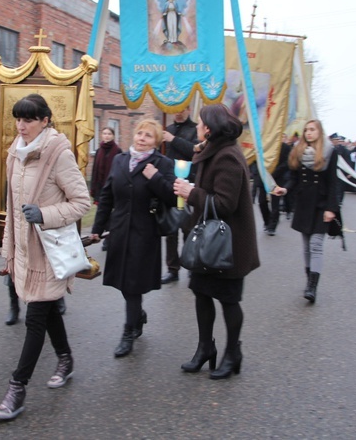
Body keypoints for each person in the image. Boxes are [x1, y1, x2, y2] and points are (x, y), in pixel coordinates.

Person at [0, 94, 90, 421]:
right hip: (24, 250)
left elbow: (81, 202)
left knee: (36, 316)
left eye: (29, 119)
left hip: (50, 250)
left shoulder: (58, 154)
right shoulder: (14, 154)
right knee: (45, 310)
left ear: (45, 120)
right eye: (18, 119)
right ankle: (65, 358)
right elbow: (11, 211)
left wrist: (45, 213)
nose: (21, 125)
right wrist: (8, 252)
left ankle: (16, 389)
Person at [173, 104, 259, 379]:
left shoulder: (228, 157)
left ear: (208, 128)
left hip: (227, 246)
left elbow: (224, 204)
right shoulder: (213, 150)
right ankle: (205, 349)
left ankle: (233, 353)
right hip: (209, 242)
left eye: (199, 123)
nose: (197, 127)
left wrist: (191, 192)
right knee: (202, 294)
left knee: (229, 301)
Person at [90, 118, 176, 357]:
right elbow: (107, 196)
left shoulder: (162, 163)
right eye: (139, 133)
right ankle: (137, 314)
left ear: (156, 142)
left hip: (144, 233)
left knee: (132, 285)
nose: (141, 138)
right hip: (119, 232)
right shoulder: (120, 160)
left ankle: (129, 332)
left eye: (148, 136)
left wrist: (155, 177)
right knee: (123, 283)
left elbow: (172, 197)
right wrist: (98, 227)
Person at [273, 120, 338, 303]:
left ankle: (312, 287)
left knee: (316, 244)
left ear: (319, 131)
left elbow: (334, 182)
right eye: (306, 130)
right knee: (306, 245)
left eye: (312, 129)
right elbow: (293, 178)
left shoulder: (329, 152)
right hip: (303, 203)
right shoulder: (298, 151)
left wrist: (331, 208)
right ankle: (309, 278)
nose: (308, 133)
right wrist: (285, 189)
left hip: (321, 204)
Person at [161, 107, 198, 284]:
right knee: (171, 230)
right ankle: (172, 269)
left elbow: (194, 151)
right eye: (175, 109)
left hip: (189, 185)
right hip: (171, 185)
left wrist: (173, 140)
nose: (177, 112)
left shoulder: (195, 129)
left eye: (181, 109)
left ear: (188, 109)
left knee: (188, 228)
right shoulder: (167, 129)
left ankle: (191, 264)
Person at [91, 126, 122, 253]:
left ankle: (109, 238)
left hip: (113, 187)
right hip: (100, 188)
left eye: (109, 133)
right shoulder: (99, 151)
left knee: (112, 215)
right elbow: (95, 171)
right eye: (104, 133)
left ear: (113, 136)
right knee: (102, 213)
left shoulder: (118, 151)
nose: (107, 136)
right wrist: (93, 188)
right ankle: (106, 237)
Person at [250, 136, 291, 236]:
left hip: (277, 179)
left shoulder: (285, 147)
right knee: (261, 201)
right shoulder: (264, 145)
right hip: (263, 178)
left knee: (275, 204)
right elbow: (256, 160)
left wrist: (274, 172)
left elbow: (287, 163)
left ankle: (272, 226)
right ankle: (267, 221)